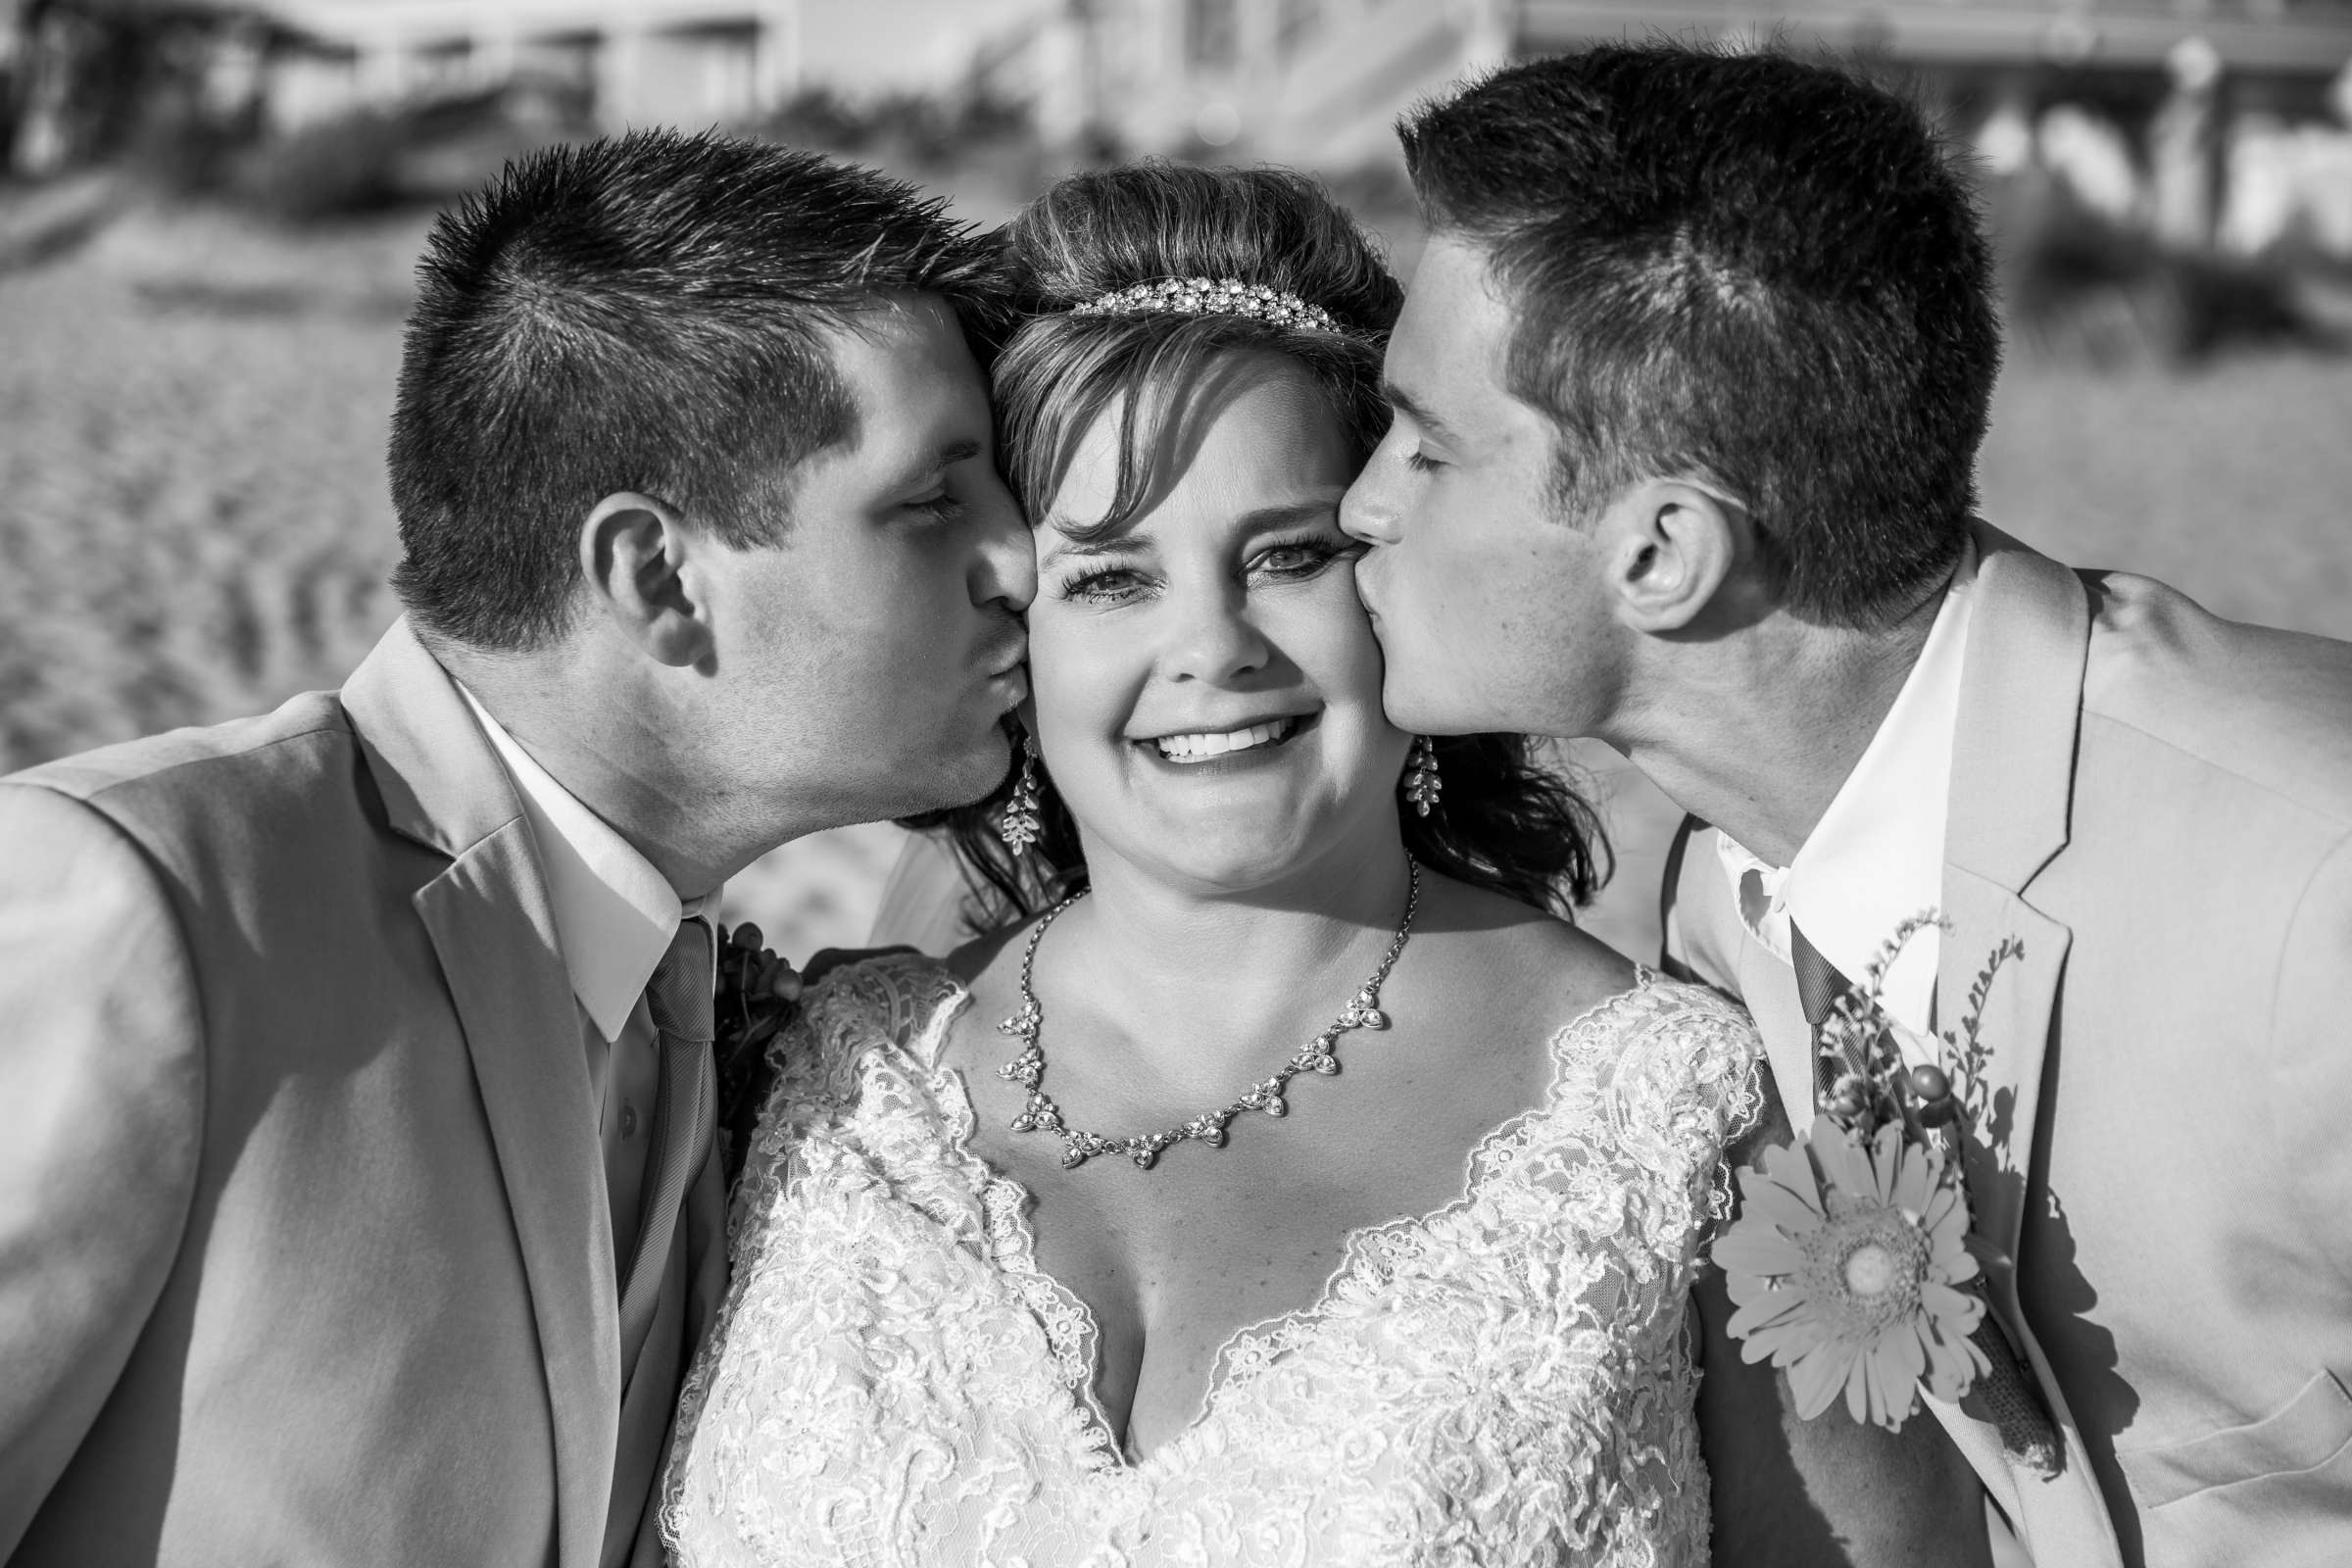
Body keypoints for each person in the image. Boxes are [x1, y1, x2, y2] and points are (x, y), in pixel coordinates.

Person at [664, 163, 1985, 1567]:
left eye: (1286, 555)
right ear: (1010, 628)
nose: (1214, 647)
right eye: (1110, 578)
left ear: (1387, 577)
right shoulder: (808, 1086)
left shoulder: (1697, 1124)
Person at [1338, 45, 2352, 1568]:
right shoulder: (1701, 903)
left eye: (1427, 446)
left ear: (1663, 554)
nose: (1364, 503)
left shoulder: (2314, 885)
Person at [0, 129, 1033, 1567]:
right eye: (934, 501)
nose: (1022, 561)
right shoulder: (137, 905)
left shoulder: (732, 1013)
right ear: (660, 578)